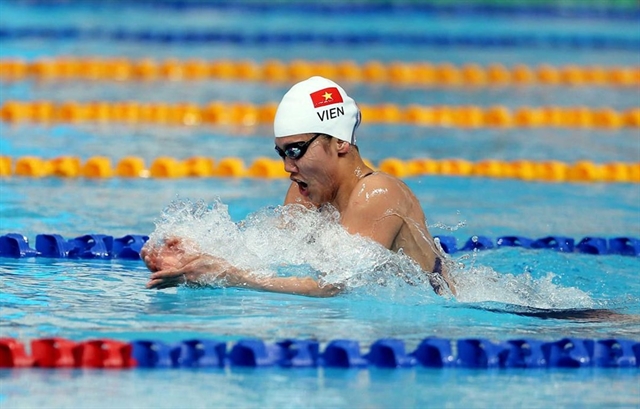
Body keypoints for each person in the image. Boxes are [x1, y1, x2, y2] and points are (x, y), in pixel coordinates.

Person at [143, 76, 456, 297]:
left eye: (296, 150)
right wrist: (197, 258)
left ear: (340, 142)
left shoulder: (379, 193)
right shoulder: (307, 192)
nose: (287, 167)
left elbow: (335, 284)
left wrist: (231, 276)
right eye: (281, 153)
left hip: (437, 321)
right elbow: (268, 256)